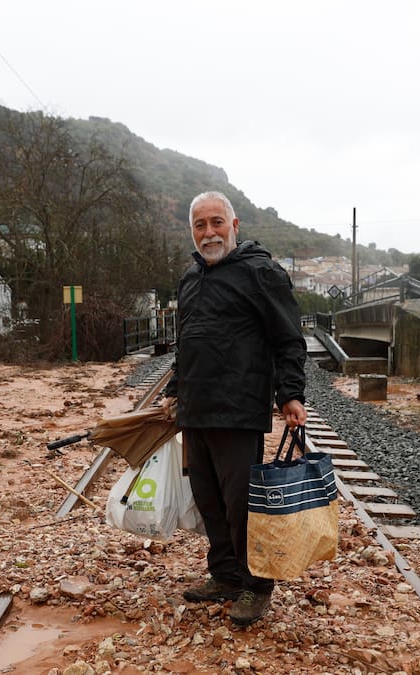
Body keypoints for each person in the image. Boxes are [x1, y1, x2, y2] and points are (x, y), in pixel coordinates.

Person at [161, 190, 308, 626]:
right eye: (200, 225)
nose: (209, 233)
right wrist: (175, 389)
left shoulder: (261, 273)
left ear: (234, 225)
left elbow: (288, 339)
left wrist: (290, 394)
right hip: (196, 410)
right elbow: (186, 345)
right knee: (209, 501)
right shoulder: (190, 280)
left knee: (242, 504)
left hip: (239, 409)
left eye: (216, 223)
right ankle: (224, 575)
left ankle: (256, 586)